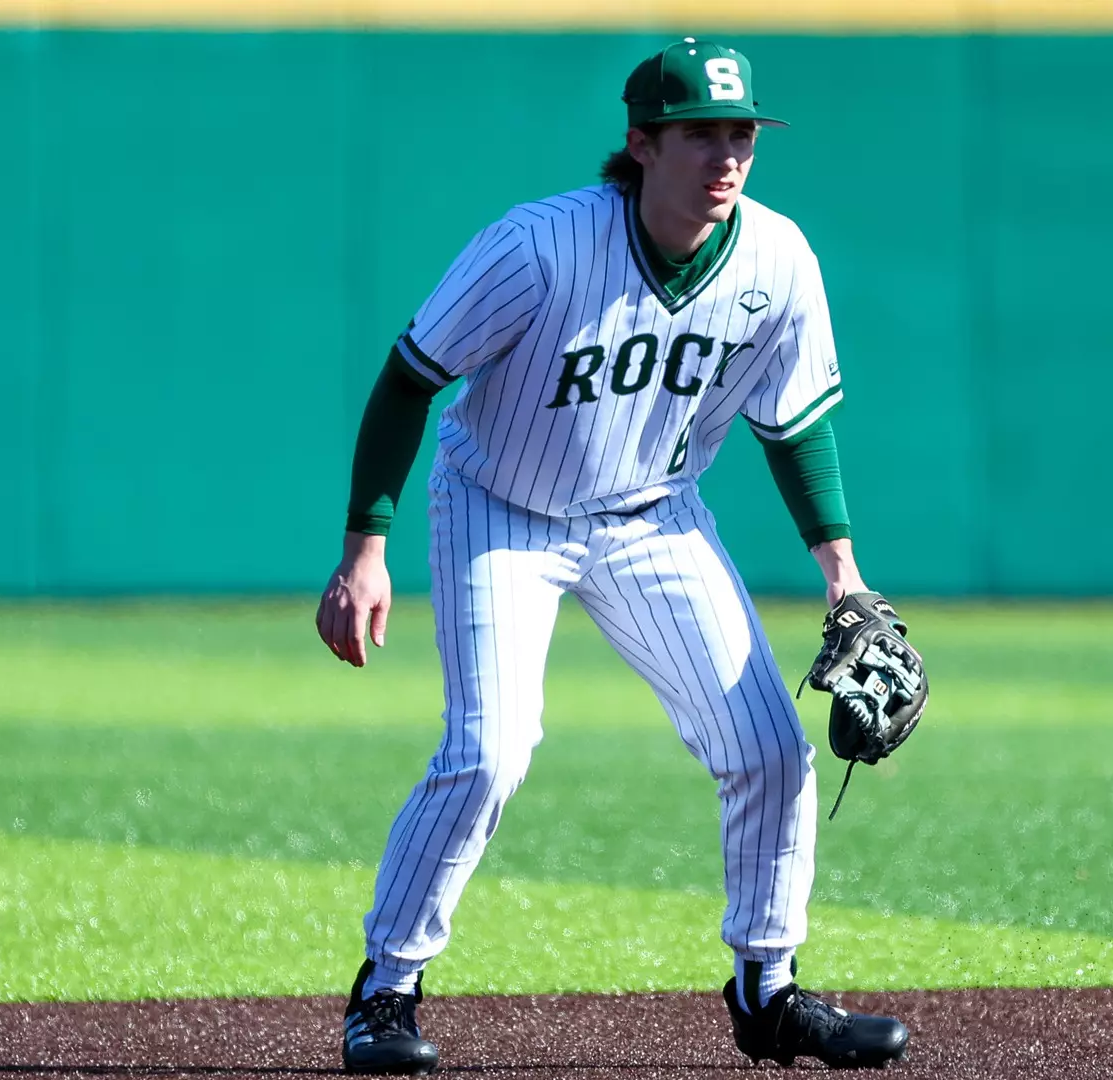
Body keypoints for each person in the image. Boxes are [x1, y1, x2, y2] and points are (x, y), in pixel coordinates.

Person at [315, 38, 910, 1075]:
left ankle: (768, 992)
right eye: (700, 136)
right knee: (492, 751)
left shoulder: (777, 259)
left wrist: (843, 577)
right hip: (503, 507)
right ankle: (387, 989)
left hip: (652, 517)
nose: (726, 156)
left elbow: (796, 424)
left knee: (770, 748)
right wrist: (366, 546)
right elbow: (411, 375)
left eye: (742, 135)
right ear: (641, 145)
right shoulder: (537, 248)